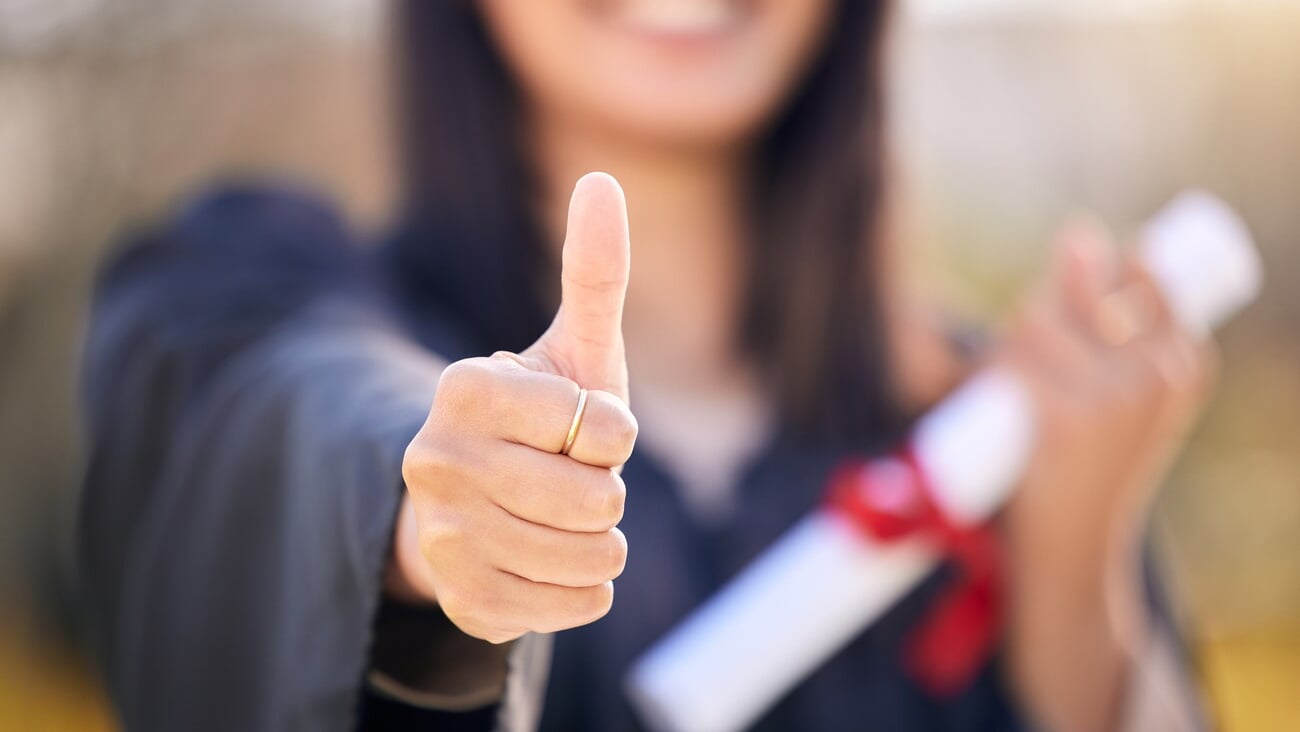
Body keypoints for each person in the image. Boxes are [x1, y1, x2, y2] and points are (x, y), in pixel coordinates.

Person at [79, 1, 1215, 730]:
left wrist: (1073, 573)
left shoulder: (989, 421)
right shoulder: (274, 299)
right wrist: (425, 508)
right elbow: (286, 410)